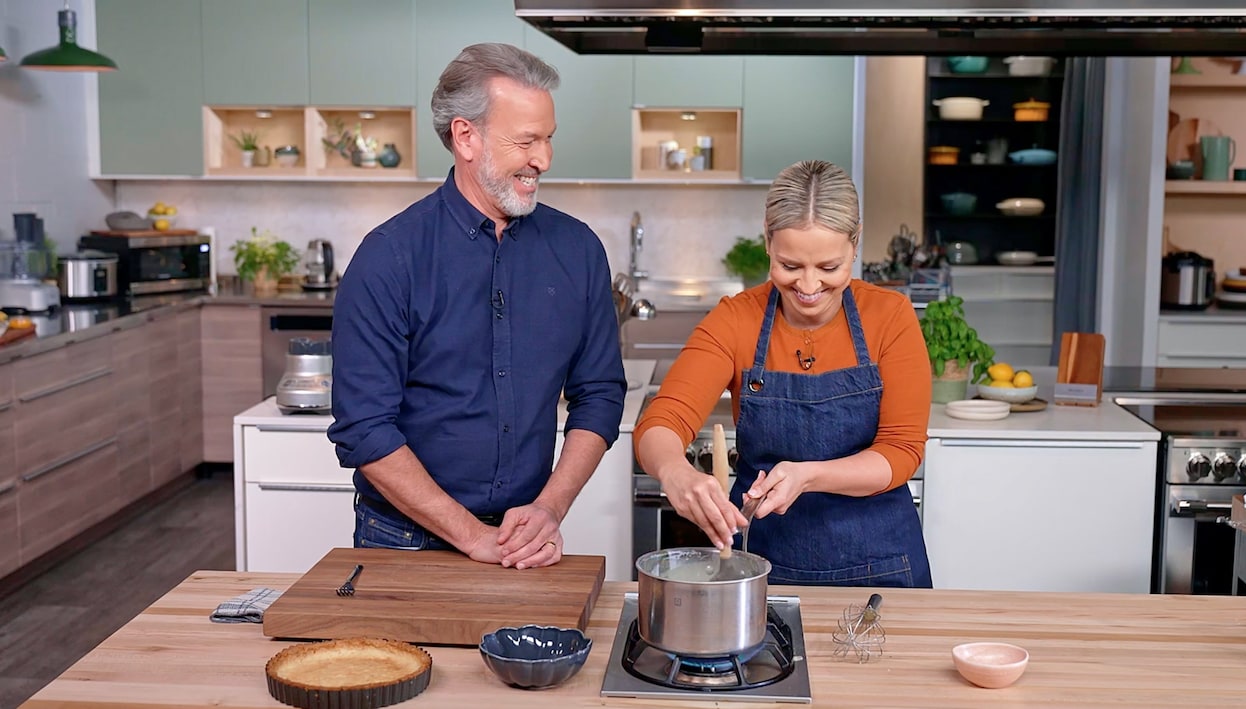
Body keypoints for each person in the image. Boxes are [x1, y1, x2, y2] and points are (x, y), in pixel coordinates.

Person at [328, 43, 626, 570]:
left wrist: (549, 508)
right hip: (402, 540)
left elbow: (599, 394)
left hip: (526, 538)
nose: (544, 160)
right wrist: (471, 536)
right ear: (466, 137)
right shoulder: (389, 258)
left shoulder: (579, 251)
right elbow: (364, 428)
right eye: (526, 141)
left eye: (549, 139)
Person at [633, 159, 932, 587]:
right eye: (790, 266)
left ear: (855, 244)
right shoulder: (735, 320)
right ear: (768, 241)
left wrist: (810, 475)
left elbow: (902, 451)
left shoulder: (890, 317)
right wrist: (676, 472)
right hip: (764, 569)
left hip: (881, 568)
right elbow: (661, 422)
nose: (809, 287)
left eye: (829, 267)